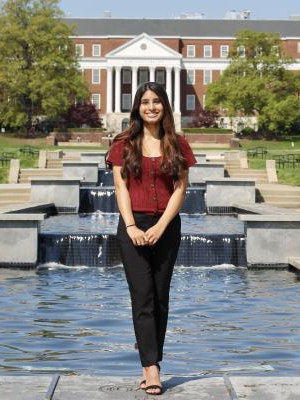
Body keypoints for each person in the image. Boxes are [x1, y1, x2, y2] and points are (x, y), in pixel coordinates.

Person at [106, 82, 196, 395]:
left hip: (167, 227)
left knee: (160, 296)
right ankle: (150, 367)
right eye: (145, 102)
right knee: (142, 297)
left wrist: (161, 226)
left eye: (157, 102)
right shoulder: (123, 144)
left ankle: (153, 360)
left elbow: (181, 190)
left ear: (165, 106)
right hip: (133, 225)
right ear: (138, 107)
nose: (151, 107)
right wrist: (131, 227)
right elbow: (121, 189)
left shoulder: (178, 143)